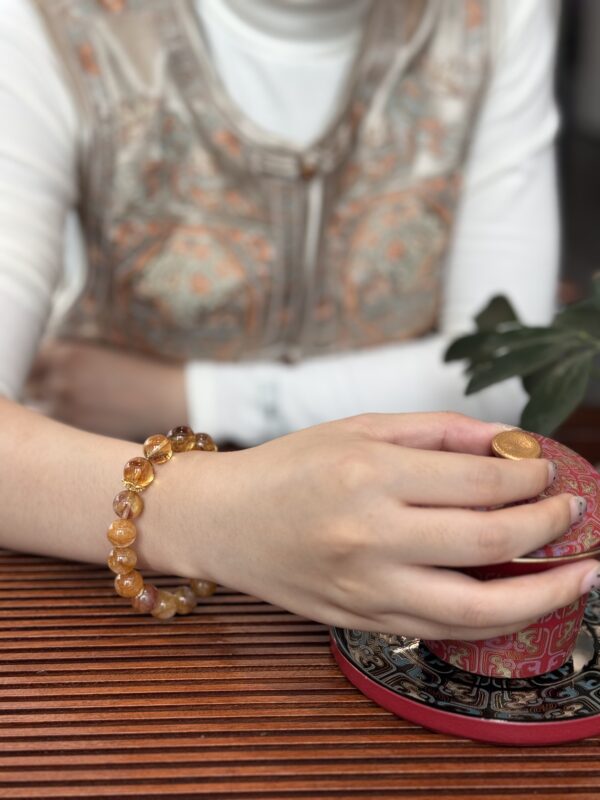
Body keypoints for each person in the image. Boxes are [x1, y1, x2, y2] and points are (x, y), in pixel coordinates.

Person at [0, 0, 597, 639]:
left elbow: (505, 369)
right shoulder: (46, 20)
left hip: (412, 559)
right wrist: (213, 514)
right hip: (87, 578)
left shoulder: (499, 15)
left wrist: (191, 393)